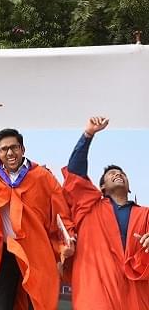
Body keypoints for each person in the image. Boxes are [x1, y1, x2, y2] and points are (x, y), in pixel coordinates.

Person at [0, 92, 75, 309]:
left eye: (14, 147)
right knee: (1, 303)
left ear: (22, 149)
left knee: (36, 301)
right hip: (2, 250)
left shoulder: (41, 176)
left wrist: (68, 238)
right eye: (4, 149)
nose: (9, 152)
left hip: (34, 247)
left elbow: (60, 212)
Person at [62, 116, 149, 309]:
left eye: (122, 174)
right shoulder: (89, 206)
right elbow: (75, 174)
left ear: (128, 186)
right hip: (97, 287)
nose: (118, 174)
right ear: (102, 187)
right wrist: (88, 134)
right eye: (111, 175)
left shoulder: (145, 214)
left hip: (136, 290)